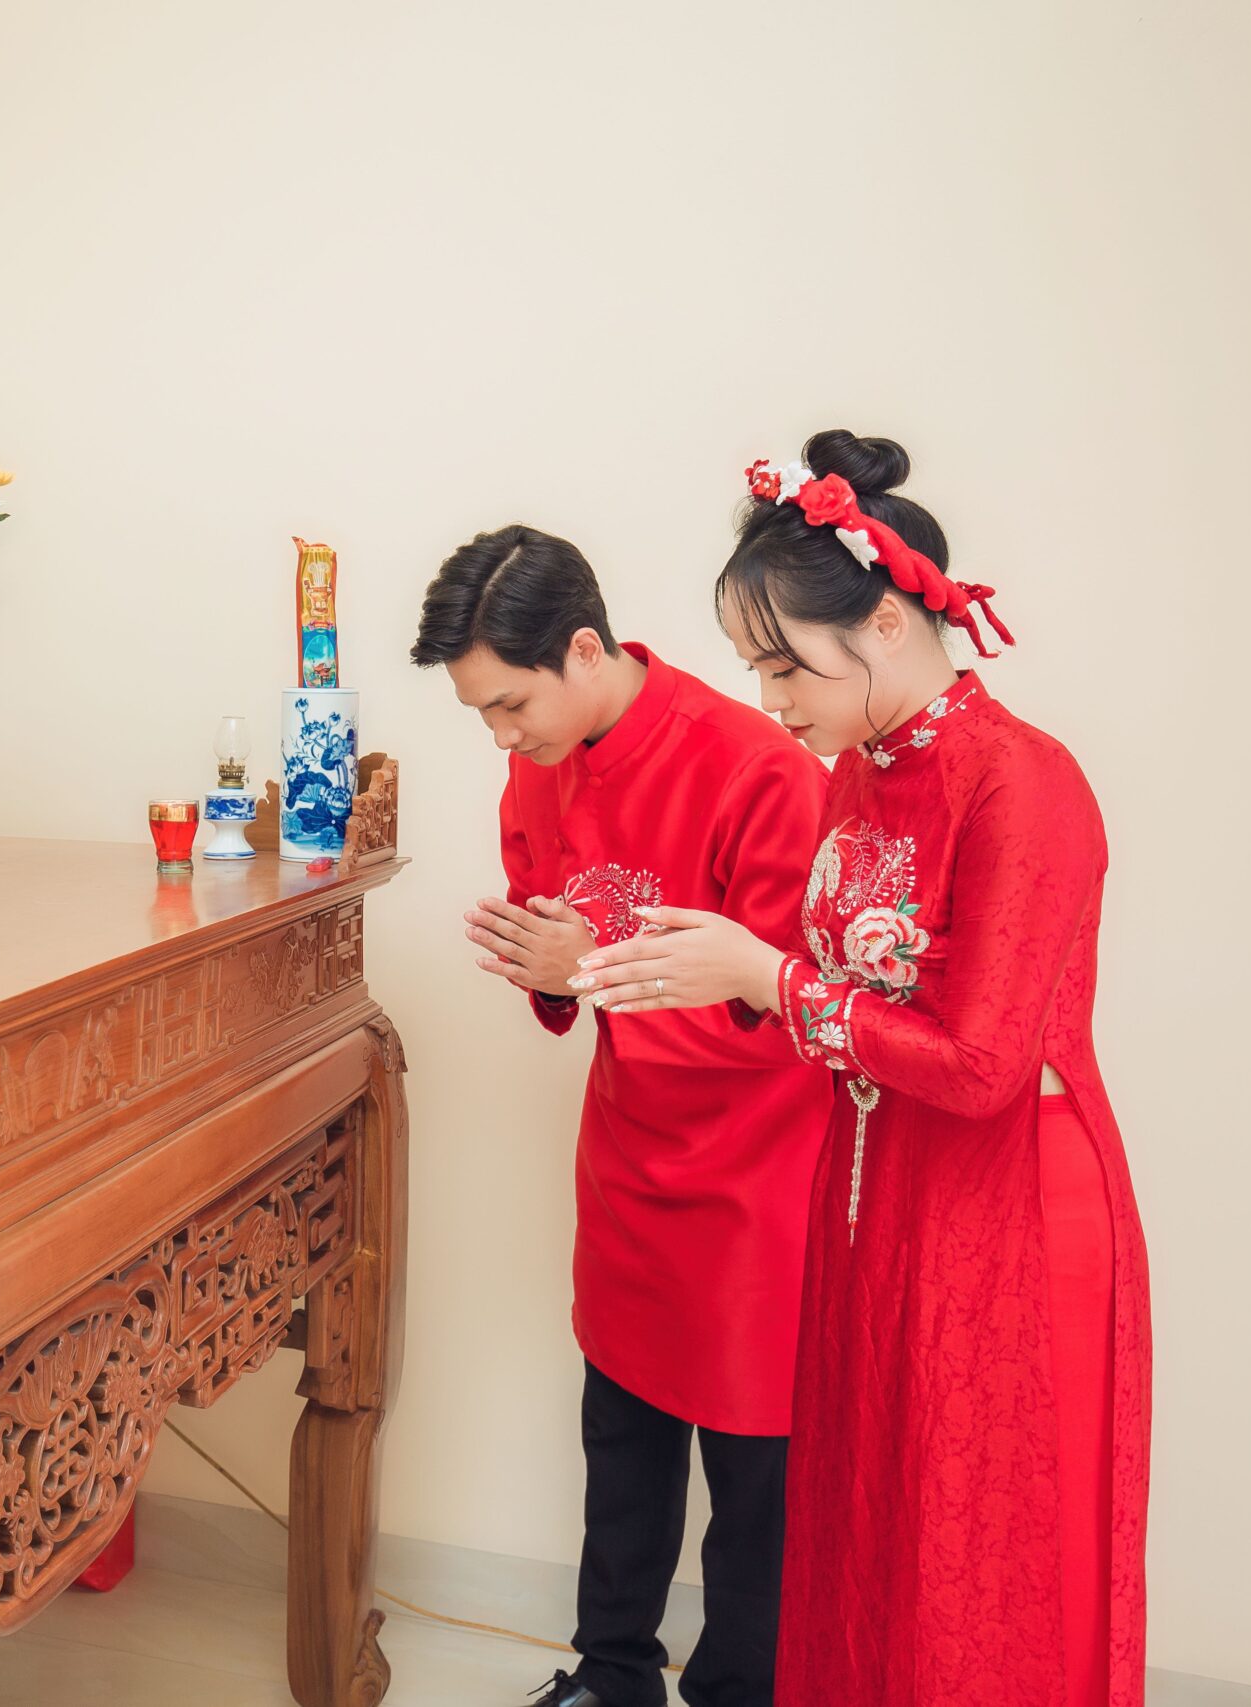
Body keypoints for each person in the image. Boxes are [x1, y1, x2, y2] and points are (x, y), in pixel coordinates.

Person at [572, 432, 1151, 1707]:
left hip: (1004, 1205)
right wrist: (710, 970)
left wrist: (768, 980)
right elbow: (836, 994)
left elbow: (984, 1064)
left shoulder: (1022, 783)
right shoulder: (858, 779)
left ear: (885, 623)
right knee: (858, 1525)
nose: (769, 697)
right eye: (752, 666)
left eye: (785, 664)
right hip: (868, 1192)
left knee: (968, 1546)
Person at [411, 527, 834, 1707]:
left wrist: (585, 967)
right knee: (623, 1436)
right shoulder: (536, 768)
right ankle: (611, 1676)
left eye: (510, 704)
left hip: (758, 1170)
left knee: (754, 1474)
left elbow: (787, 1009)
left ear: (586, 649)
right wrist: (548, 970)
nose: (501, 739)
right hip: (630, 1155)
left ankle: (738, 1690)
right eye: (480, 716)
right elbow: (561, 960)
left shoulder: (757, 769)